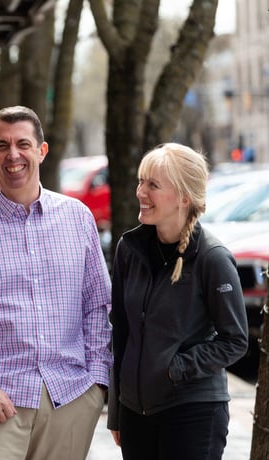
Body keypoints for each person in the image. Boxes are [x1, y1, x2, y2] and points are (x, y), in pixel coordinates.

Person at [0, 105, 113, 460]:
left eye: (23, 144)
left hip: (70, 396)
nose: (12, 155)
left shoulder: (77, 218)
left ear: (41, 151)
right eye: (2, 145)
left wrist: (96, 383)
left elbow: (98, 304)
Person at [107, 143, 249, 460]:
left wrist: (177, 368)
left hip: (193, 410)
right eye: (141, 181)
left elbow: (235, 340)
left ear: (184, 197)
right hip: (135, 413)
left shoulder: (212, 257)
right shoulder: (129, 249)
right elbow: (121, 335)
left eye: (153, 185)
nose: (140, 192)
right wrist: (117, 410)